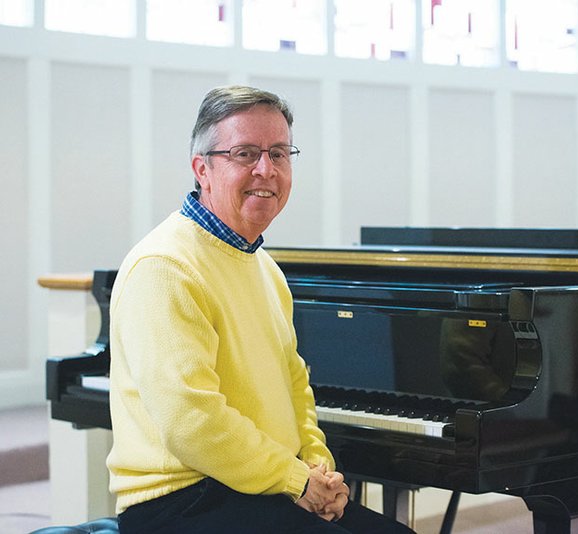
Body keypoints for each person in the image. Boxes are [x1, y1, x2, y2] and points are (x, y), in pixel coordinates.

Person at [106, 85, 415, 534]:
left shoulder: (264, 267)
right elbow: (192, 422)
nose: (266, 169)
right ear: (202, 169)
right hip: (181, 500)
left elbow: (294, 383)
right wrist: (295, 480)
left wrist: (316, 467)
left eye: (279, 153)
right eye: (245, 153)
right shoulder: (165, 266)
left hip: (259, 487)